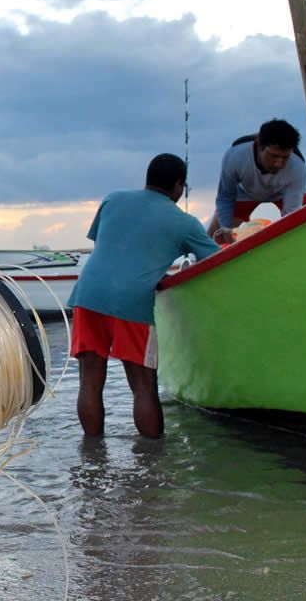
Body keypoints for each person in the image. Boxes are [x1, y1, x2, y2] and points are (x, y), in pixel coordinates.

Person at [69, 153, 219, 439]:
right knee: (142, 386)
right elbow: (216, 261)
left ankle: (92, 456)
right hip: (133, 302)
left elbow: (115, 248)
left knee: (89, 383)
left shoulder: (113, 200)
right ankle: (152, 463)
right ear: (179, 186)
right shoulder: (184, 222)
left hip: (87, 295)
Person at [207, 118, 306, 244]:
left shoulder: (297, 167)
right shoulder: (235, 155)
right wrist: (228, 234)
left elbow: (291, 217)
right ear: (259, 146)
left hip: (284, 194)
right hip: (246, 193)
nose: (279, 163)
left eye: (285, 157)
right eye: (274, 156)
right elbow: (225, 197)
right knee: (216, 235)